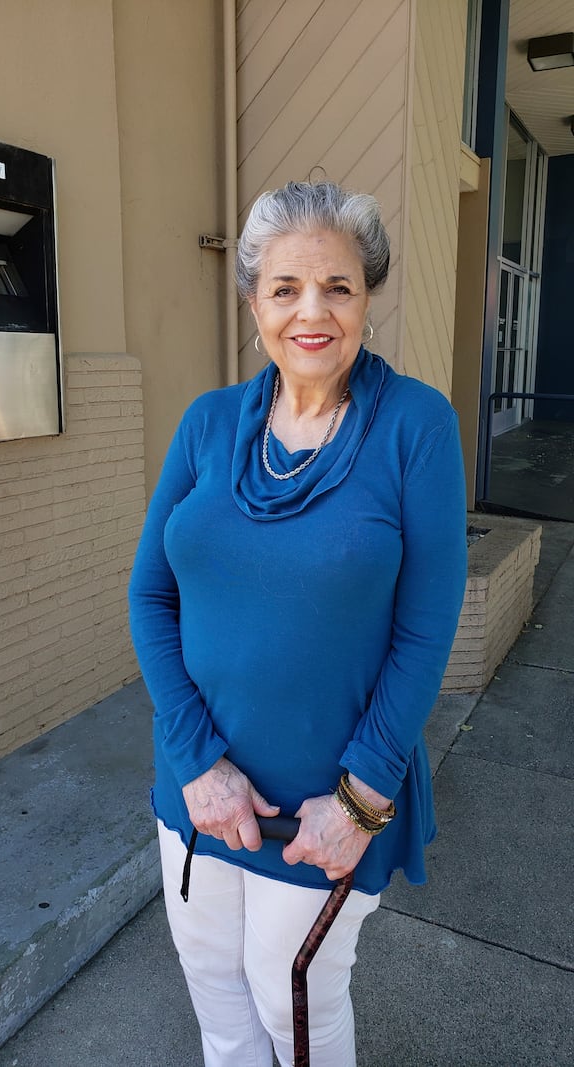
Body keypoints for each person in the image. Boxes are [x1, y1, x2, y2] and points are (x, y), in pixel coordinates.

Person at [128, 179, 467, 1067]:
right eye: (285, 288)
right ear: (253, 301)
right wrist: (195, 759)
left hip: (328, 803)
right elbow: (150, 596)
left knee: (296, 1005)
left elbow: (426, 630)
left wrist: (360, 797)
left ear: (368, 296)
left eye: (339, 287)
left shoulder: (416, 427)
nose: (311, 312)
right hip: (196, 788)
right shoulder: (207, 425)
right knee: (218, 998)